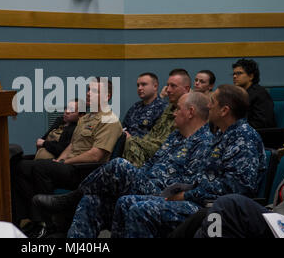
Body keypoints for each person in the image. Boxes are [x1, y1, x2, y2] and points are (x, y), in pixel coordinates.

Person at [34, 92, 214, 238]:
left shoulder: (205, 142)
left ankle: (72, 198)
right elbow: (151, 162)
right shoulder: (175, 136)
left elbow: (191, 184)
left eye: (178, 109)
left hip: (165, 195)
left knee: (119, 165)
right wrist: (138, 176)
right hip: (147, 185)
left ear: (190, 112)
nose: (173, 113)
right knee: (92, 201)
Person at [109, 85, 267, 238]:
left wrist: (187, 194)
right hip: (197, 197)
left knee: (140, 210)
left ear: (224, 110)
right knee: (125, 201)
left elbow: (236, 187)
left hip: (212, 207)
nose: (208, 106)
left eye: (213, 102)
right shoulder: (221, 135)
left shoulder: (244, 137)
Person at [11, 77, 122, 237]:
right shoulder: (86, 118)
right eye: (89, 90)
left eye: (95, 91)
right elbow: (72, 145)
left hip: (85, 171)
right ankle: (32, 219)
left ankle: (49, 224)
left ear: (107, 96)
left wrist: (65, 162)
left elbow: (96, 155)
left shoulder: (109, 120)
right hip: (69, 165)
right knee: (19, 166)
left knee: (40, 167)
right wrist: (59, 160)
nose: (89, 94)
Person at [122, 69, 191, 167]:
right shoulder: (169, 109)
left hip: (166, 161)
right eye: (168, 85)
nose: (168, 90)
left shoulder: (187, 112)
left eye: (173, 86)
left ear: (186, 89)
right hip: (149, 155)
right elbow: (153, 135)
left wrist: (132, 140)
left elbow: (166, 145)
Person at [194, 170, 284, 238]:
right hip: (279, 218)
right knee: (204, 214)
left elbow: (239, 186)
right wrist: (270, 209)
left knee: (228, 205)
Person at [232, 58, 276, 129]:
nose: (234, 76)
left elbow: (263, 123)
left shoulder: (260, 94)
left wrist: (237, 128)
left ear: (251, 76)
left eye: (239, 73)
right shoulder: (239, 94)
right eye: (234, 74)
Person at [122, 73, 168, 139]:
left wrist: (131, 139)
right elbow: (124, 128)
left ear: (155, 86)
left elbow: (157, 140)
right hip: (126, 146)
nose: (139, 88)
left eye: (144, 84)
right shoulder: (135, 107)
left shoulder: (163, 108)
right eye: (138, 85)